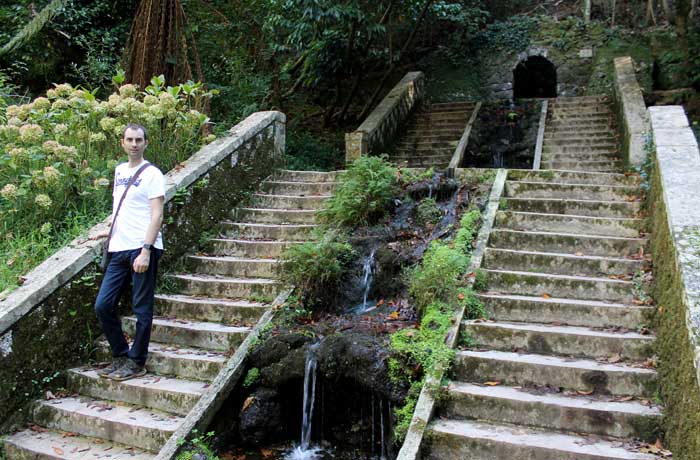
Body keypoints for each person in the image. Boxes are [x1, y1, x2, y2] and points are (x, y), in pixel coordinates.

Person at [90, 123, 165, 381]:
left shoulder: (152, 174)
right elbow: (120, 207)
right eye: (130, 140)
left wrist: (146, 250)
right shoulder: (120, 170)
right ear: (122, 142)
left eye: (139, 140)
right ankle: (120, 354)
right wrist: (108, 229)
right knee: (103, 305)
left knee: (141, 307)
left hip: (141, 247)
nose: (134, 144)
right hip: (118, 248)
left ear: (146, 143)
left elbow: (157, 215)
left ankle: (137, 361)